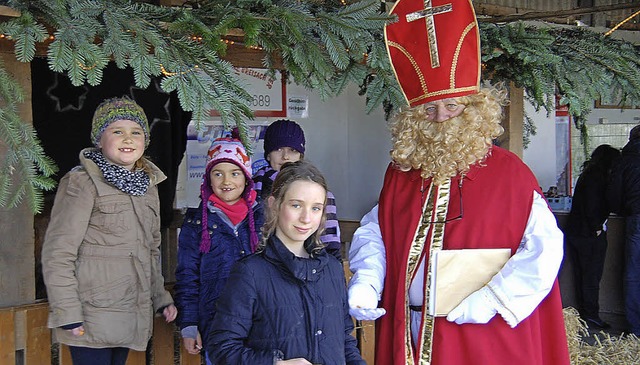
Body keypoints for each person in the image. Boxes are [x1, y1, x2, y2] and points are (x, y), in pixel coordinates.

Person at [347, 0, 570, 364]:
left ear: (475, 108)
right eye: (429, 110)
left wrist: (496, 298)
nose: (441, 118)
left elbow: (545, 249)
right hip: (413, 330)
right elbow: (378, 231)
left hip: (485, 335)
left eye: (452, 107)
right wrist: (368, 281)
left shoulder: (510, 173)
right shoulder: (402, 173)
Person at [41, 97, 177, 365]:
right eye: (117, 131)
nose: (128, 139)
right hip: (90, 316)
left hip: (127, 315)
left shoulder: (146, 186)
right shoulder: (82, 182)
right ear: (99, 140)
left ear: (145, 141)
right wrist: (67, 312)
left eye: (136, 132)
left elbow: (149, 251)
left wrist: (161, 298)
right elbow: (58, 252)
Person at [208, 160, 365, 365]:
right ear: (274, 205)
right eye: (296, 205)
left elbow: (345, 341)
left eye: (316, 208)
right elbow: (222, 347)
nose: (306, 218)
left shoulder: (333, 270)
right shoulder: (251, 272)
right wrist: (274, 363)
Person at [174, 135, 264, 364]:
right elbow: (187, 277)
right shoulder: (196, 223)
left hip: (261, 324)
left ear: (246, 177)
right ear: (208, 179)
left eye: (235, 173)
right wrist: (189, 325)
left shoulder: (264, 218)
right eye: (218, 173)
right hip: (215, 325)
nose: (227, 180)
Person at [253, 119, 342, 260]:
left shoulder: (319, 190)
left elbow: (330, 246)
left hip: (310, 264)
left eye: (292, 150)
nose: (285, 156)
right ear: (268, 154)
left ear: (301, 155)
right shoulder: (251, 188)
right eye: (278, 149)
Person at [565, 144, 620, 329]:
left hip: (576, 232)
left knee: (582, 275)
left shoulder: (587, 174)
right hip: (589, 233)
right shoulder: (598, 178)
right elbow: (594, 206)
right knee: (591, 277)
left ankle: (584, 314)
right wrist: (597, 227)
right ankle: (591, 316)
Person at [607, 124, 640, 336]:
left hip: (636, 216)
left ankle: (636, 329)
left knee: (634, 274)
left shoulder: (625, 159)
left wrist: (619, 210)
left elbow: (614, 193)